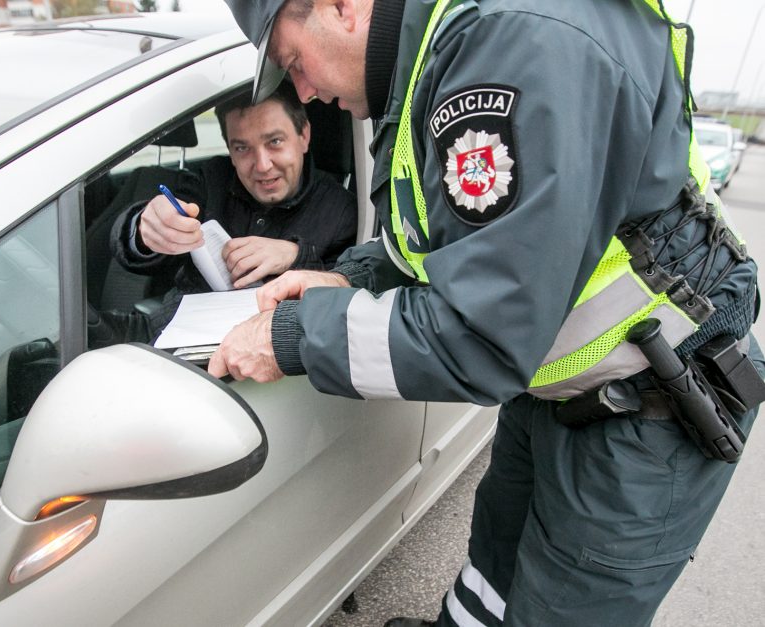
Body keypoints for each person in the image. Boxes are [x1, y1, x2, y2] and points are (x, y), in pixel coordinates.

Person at [211, 1, 764, 626]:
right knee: (495, 565)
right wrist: (347, 275)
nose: (304, 92)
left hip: (650, 406)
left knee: (559, 610)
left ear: (341, 7)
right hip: (560, 380)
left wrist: (289, 337)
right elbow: (447, 240)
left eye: (294, 62)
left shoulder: (516, 50)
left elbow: (480, 336)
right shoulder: (441, 52)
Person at [105, 80, 357, 343]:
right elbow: (134, 241)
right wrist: (144, 228)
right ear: (230, 151)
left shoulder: (340, 210)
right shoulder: (212, 179)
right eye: (242, 148)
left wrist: (297, 256)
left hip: (262, 363)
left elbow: (351, 290)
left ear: (304, 136)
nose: (262, 165)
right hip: (169, 338)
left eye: (275, 141)